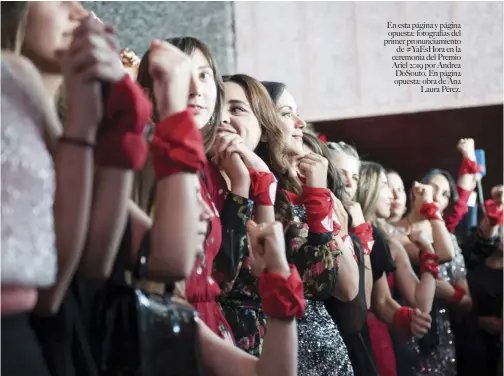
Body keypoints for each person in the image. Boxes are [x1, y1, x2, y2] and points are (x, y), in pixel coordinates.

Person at [263, 80, 356, 376]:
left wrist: (319, 199)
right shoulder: (259, 195)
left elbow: (349, 288)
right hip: (281, 348)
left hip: (326, 348)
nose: (301, 123)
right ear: (263, 122)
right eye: (288, 113)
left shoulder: (310, 194)